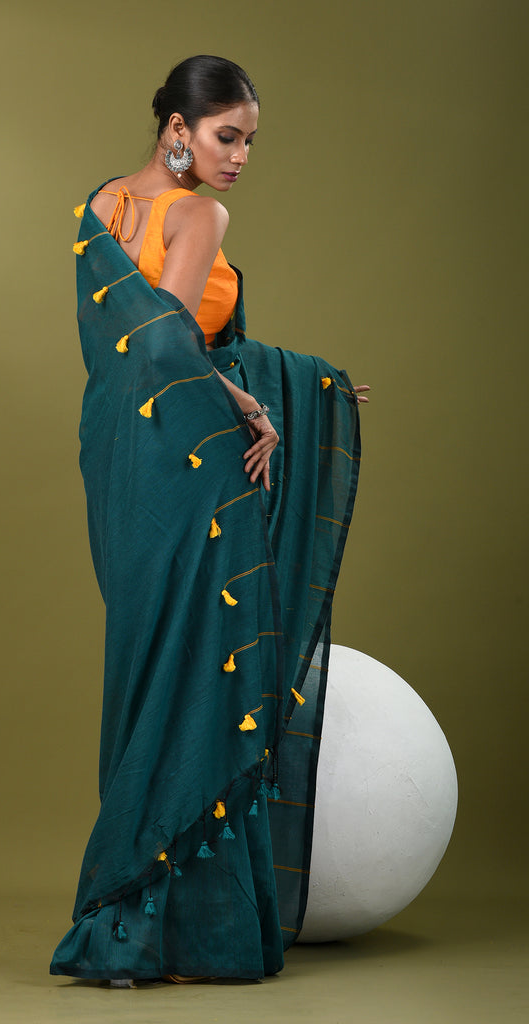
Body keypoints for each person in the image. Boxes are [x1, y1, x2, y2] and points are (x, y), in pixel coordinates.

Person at [51, 55, 368, 985]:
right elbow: (173, 344)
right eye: (227, 136)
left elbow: (140, 350)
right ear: (178, 129)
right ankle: (187, 928)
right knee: (201, 666)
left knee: (154, 662)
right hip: (191, 464)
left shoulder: (100, 206)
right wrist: (264, 399)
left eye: (249, 142)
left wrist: (298, 381)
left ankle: (145, 916)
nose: (239, 157)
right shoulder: (198, 215)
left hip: (120, 460)